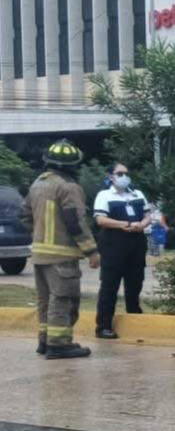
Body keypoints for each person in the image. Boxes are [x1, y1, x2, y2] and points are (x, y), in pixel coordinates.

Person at [20, 140, 100, 359]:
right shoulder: (69, 186)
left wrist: (40, 236)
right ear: (71, 165)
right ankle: (59, 344)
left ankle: (45, 341)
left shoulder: (38, 183)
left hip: (40, 255)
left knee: (46, 299)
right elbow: (74, 221)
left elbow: (24, 216)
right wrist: (91, 250)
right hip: (62, 255)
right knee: (63, 298)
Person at [92, 163, 151, 339]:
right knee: (110, 286)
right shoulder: (104, 195)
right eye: (120, 173)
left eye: (126, 173)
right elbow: (100, 219)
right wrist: (123, 225)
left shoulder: (137, 194)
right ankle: (103, 326)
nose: (124, 176)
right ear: (111, 176)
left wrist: (141, 224)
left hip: (136, 243)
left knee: (135, 283)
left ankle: (134, 318)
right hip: (113, 244)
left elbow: (148, 214)